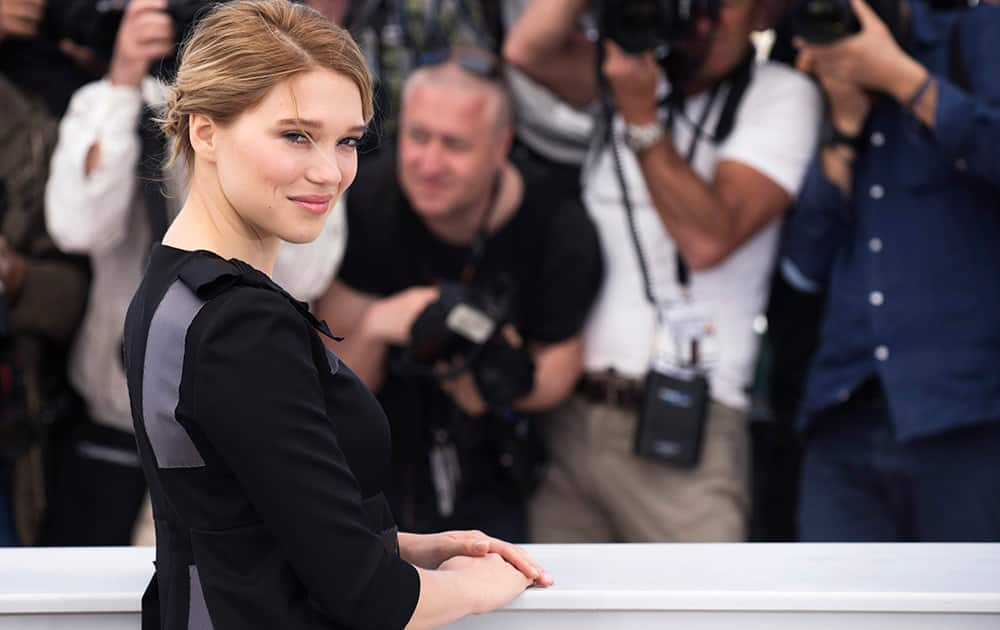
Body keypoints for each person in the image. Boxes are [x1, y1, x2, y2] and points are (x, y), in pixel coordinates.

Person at [122, 2, 551, 628]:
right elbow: (371, 598)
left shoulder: (172, 290)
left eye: (347, 141)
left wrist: (408, 546)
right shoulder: (240, 325)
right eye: (296, 135)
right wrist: (486, 584)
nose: (330, 172)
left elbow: (237, 520)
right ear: (203, 130)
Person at [506, 0, 821, 542]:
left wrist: (642, 119)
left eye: (721, 8)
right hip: (572, 418)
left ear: (762, 15)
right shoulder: (632, 69)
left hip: (688, 426)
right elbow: (526, 48)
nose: (701, 21)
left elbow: (707, 238)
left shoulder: (783, 95)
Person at [43, 0, 349, 548]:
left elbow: (307, 272)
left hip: (230, 437)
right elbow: (76, 228)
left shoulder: (296, 125)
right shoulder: (105, 104)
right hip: (115, 419)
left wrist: (264, 136)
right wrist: (123, 83)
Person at [316, 47, 603, 542]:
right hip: (380, 451)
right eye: (418, 137)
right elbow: (335, 367)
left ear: (500, 147)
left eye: (454, 145)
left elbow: (561, 361)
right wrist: (386, 320)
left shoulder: (558, 225)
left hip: (495, 453)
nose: (429, 163)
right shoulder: (362, 203)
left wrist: (494, 384)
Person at [786, 0, 1000, 541]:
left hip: (965, 416)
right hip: (843, 411)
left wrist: (901, 79)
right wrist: (843, 125)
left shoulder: (977, 33)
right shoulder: (830, 82)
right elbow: (802, 268)